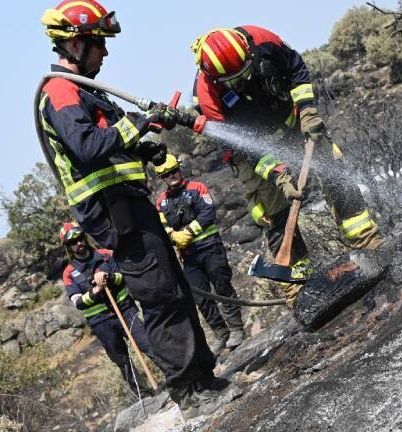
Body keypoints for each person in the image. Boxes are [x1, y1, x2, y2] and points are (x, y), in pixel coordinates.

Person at [38, 0, 227, 418]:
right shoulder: (60, 91)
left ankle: (204, 375)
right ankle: (189, 392)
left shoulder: (85, 91)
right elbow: (86, 145)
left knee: (174, 285)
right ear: (75, 44)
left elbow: (111, 141)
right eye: (98, 45)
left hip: (130, 204)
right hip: (112, 213)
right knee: (157, 295)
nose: (104, 54)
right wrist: (138, 122)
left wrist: (147, 140)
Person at [190, 26, 386, 305]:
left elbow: (297, 71)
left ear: (249, 51)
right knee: (273, 208)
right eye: (234, 81)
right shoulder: (208, 99)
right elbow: (246, 147)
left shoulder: (264, 41)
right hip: (252, 150)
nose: (243, 82)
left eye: (246, 72)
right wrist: (279, 175)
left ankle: (368, 243)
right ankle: (299, 290)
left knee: (335, 171)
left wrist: (307, 111)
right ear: (215, 78)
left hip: (293, 122)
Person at [154, 155, 246, 354]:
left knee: (222, 286)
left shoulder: (197, 188)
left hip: (210, 247)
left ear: (179, 169)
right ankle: (222, 334)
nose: (172, 176)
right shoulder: (161, 202)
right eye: (166, 175)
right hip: (188, 256)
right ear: (162, 178)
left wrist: (188, 232)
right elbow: (161, 225)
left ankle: (236, 328)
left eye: (173, 171)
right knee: (200, 297)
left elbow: (207, 212)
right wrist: (173, 235)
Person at [60, 222, 154, 398]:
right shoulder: (69, 273)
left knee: (146, 342)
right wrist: (95, 291)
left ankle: (174, 375)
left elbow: (124, 276)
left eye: (80, 238)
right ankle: (144, 396)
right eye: (73, 242)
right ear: (68, 247)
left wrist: (109, 277)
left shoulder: (105, 255)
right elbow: (78, 302)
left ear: (85, 238)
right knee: (121, 360)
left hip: (125, 310)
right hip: (101, 322)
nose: (78, 243)